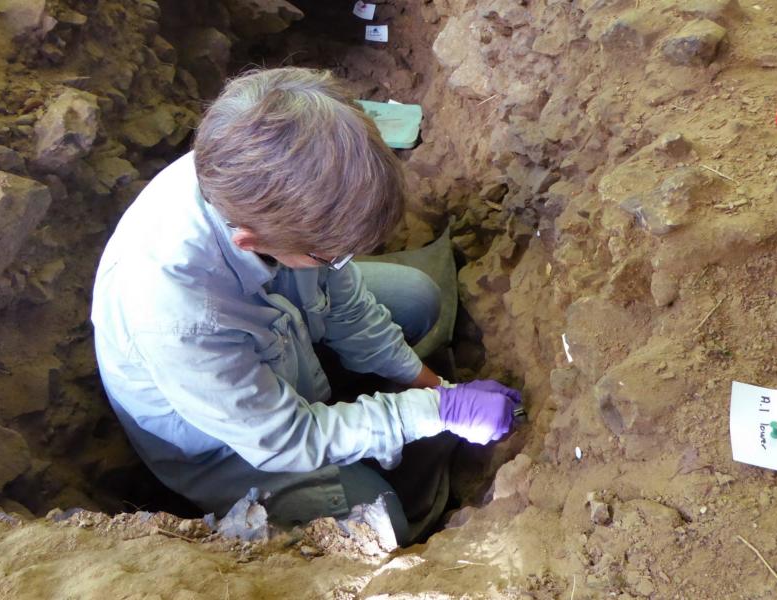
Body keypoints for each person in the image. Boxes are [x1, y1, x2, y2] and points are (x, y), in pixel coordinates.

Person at [90, 67, 520, 545]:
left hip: (275, 342)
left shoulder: (257, 176)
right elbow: (289, 439)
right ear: (250, 240)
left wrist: (434, 386)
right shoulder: (182, 316)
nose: (338, 262)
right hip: (226, 442)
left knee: (417, 298)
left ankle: (344, 390)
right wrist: (431, 413)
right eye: (328, 254)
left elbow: (343, 298)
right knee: (378, 528)